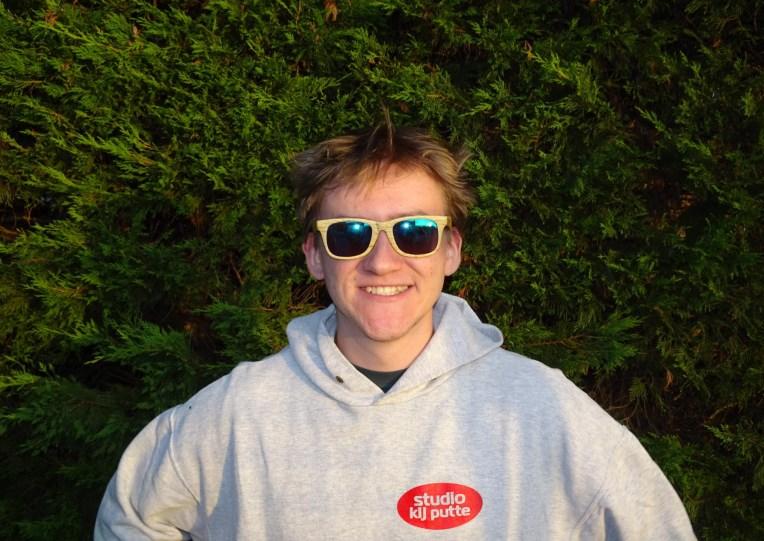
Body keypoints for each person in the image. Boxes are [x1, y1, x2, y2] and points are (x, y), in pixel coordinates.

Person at [95, 124, 696, 539]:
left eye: (414, 232)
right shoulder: (234, 414)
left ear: (451, 249)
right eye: (350, 234)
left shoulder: (543, 407)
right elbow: (130, 521)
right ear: (315, 256)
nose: (383, 263)